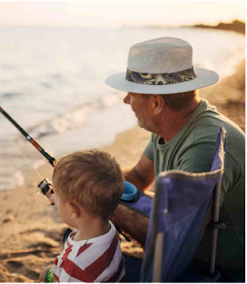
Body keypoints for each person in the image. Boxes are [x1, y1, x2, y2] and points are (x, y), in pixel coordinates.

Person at [105, 37, 245, 281]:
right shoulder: (173, 124)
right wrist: (94, 189)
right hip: (194, 251)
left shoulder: (202, 146)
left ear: (157, 103)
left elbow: (175, 241)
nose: (126, 100)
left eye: (132, 93)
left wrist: (107, 210)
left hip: (223, 273)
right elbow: (138, 177)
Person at [39, 150, 126, 283]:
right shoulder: (107, 229)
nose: (54, 199)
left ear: (73, 210)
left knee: (43, 274)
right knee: (46, 272)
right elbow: (79, 222)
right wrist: (59, 198)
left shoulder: (76, 268)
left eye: (56, 195)